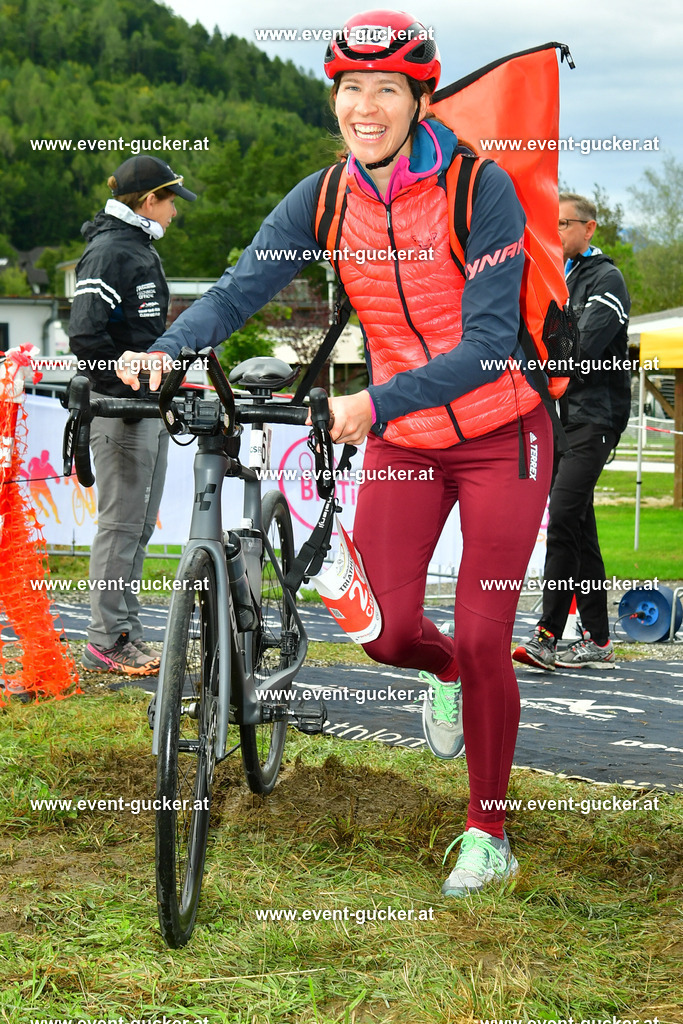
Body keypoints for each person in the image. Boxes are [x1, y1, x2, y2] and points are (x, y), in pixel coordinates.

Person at [116, 10, 553, 896]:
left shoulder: (479, 190)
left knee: (481, 634)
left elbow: (492, 340)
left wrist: (372, 398)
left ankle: (487, 832)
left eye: (386, 89)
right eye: (350, 89)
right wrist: (168, 347)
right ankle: (445, 678)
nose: (365, 106)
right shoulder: (322, 197)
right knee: (389, 635)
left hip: (505, 431)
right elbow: (241, 289)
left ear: (419, 98)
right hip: (405, 439)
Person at [69, 155, 196, 676]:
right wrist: (118, 379)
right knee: (121, 526)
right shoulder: (108, 252)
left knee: (139, 528)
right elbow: (84, 335)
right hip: (121, 412)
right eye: (170, 202)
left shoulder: (136, 247)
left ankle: (127, 633)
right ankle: (105, 639)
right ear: (148, 202)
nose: (173, 213)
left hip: (149, 405)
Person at [513, 193, 631, 671]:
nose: (557, 231)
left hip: (593, 418)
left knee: (562, 516)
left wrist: (542, 343)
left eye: (565, 224)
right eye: (552, 223)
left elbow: (576, 348)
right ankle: (598, 639)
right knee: (580, 527)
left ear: (590, 228)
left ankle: (547, 634)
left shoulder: (607, 279)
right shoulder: (552, 276)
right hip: (557, 420)